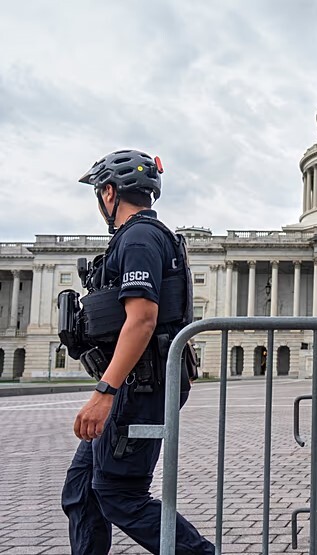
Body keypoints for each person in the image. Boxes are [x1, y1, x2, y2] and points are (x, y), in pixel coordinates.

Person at [59, 150, 215, 555]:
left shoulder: (140, 238)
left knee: (119, 494)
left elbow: (142, 319)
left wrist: (104, 392)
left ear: (109, 193)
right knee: (82, 491)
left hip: (139, 388)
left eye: (98, 193)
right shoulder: (137, 238)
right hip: (135, 382)